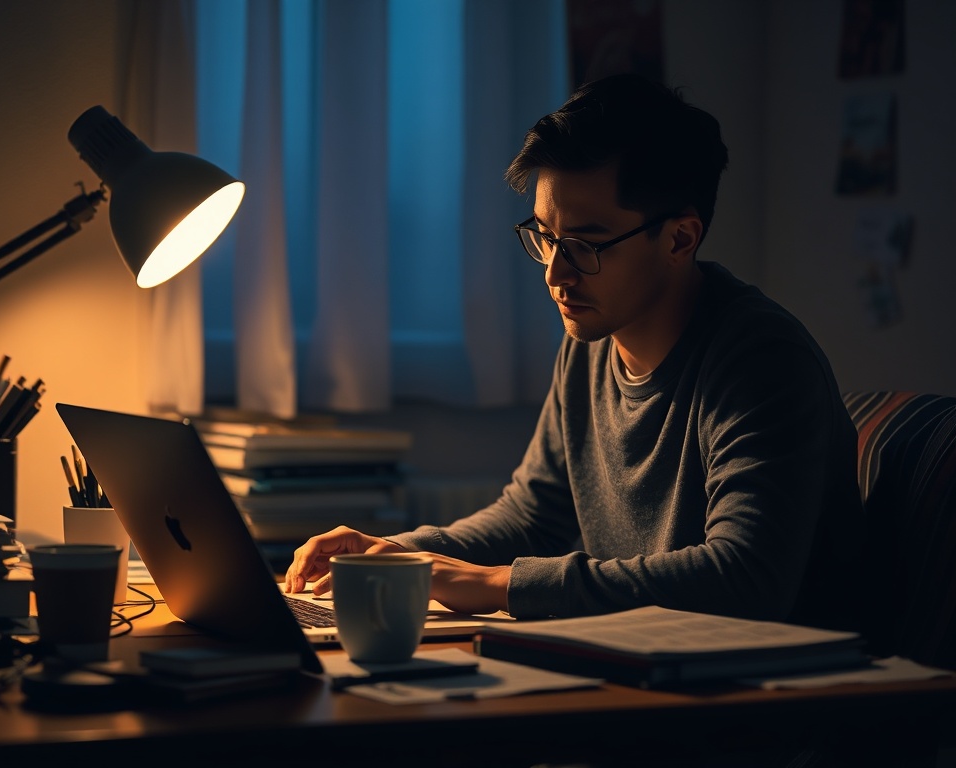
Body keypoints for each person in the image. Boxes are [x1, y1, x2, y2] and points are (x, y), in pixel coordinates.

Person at [285, 73, 864, 631]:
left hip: (768, 704)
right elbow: (532, 517)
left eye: (585, 245)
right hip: (645, 670)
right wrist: (401, 554)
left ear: (680, 238)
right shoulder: (591, 339)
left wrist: (497, 585)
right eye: (545, 237)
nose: (555, 276)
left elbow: (744, 579)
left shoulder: (761, 360)